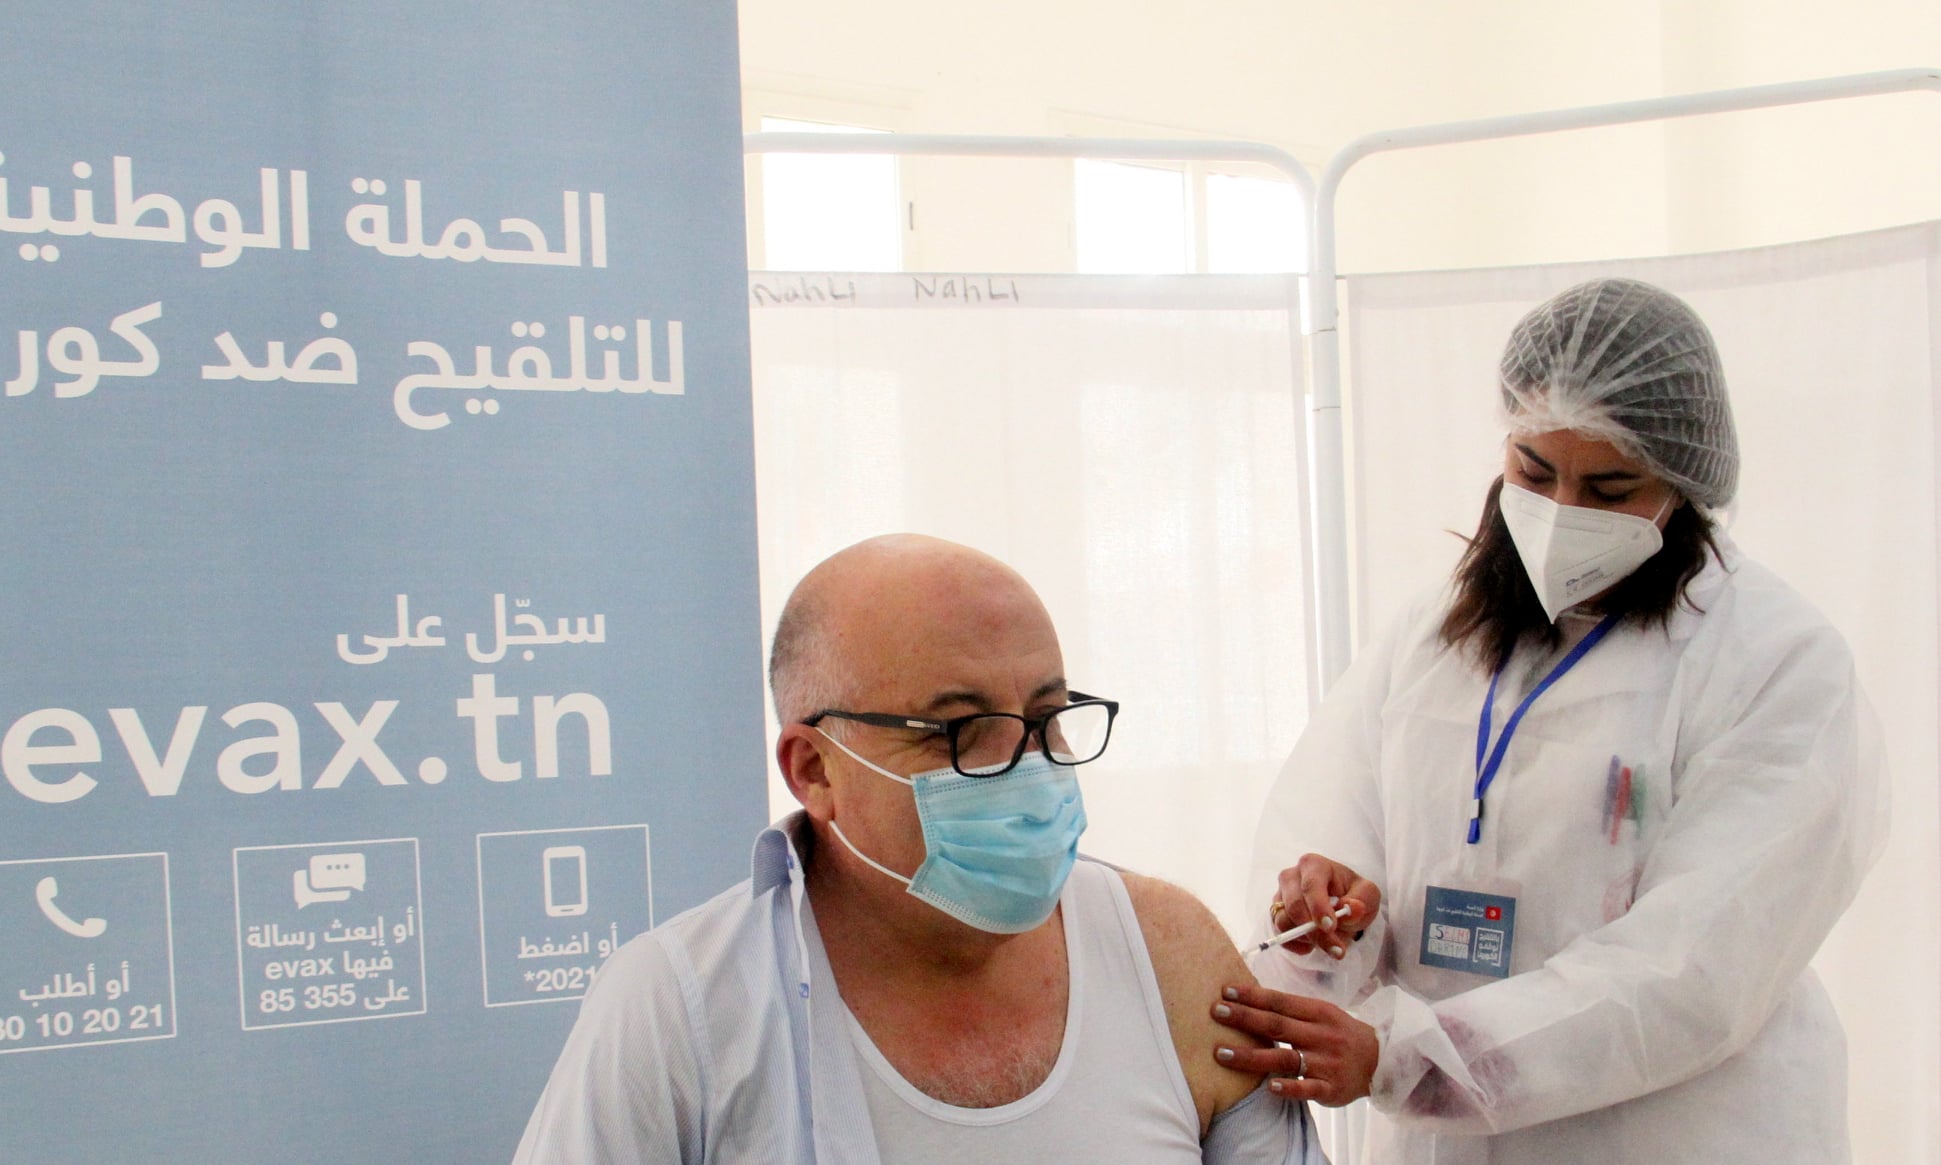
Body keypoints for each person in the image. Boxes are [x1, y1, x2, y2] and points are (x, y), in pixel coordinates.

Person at [1208, 278, 1886, 1163]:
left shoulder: (1774, 659)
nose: (1562, 512)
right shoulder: (1435, 634)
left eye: (1609, 487)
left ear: (1684, 485)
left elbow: (1693, 968)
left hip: (1677, 1135)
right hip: (1443, 1132)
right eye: (1532, 471)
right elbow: (1334, 810)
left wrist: (1409, 1057)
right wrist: (1333, 911)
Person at [514, 534, 1325, 1163]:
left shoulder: (1167, 952)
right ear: (815, 769)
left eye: (1046, 717)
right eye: (960, 730)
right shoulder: (681, 1006)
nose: (1026, 766)